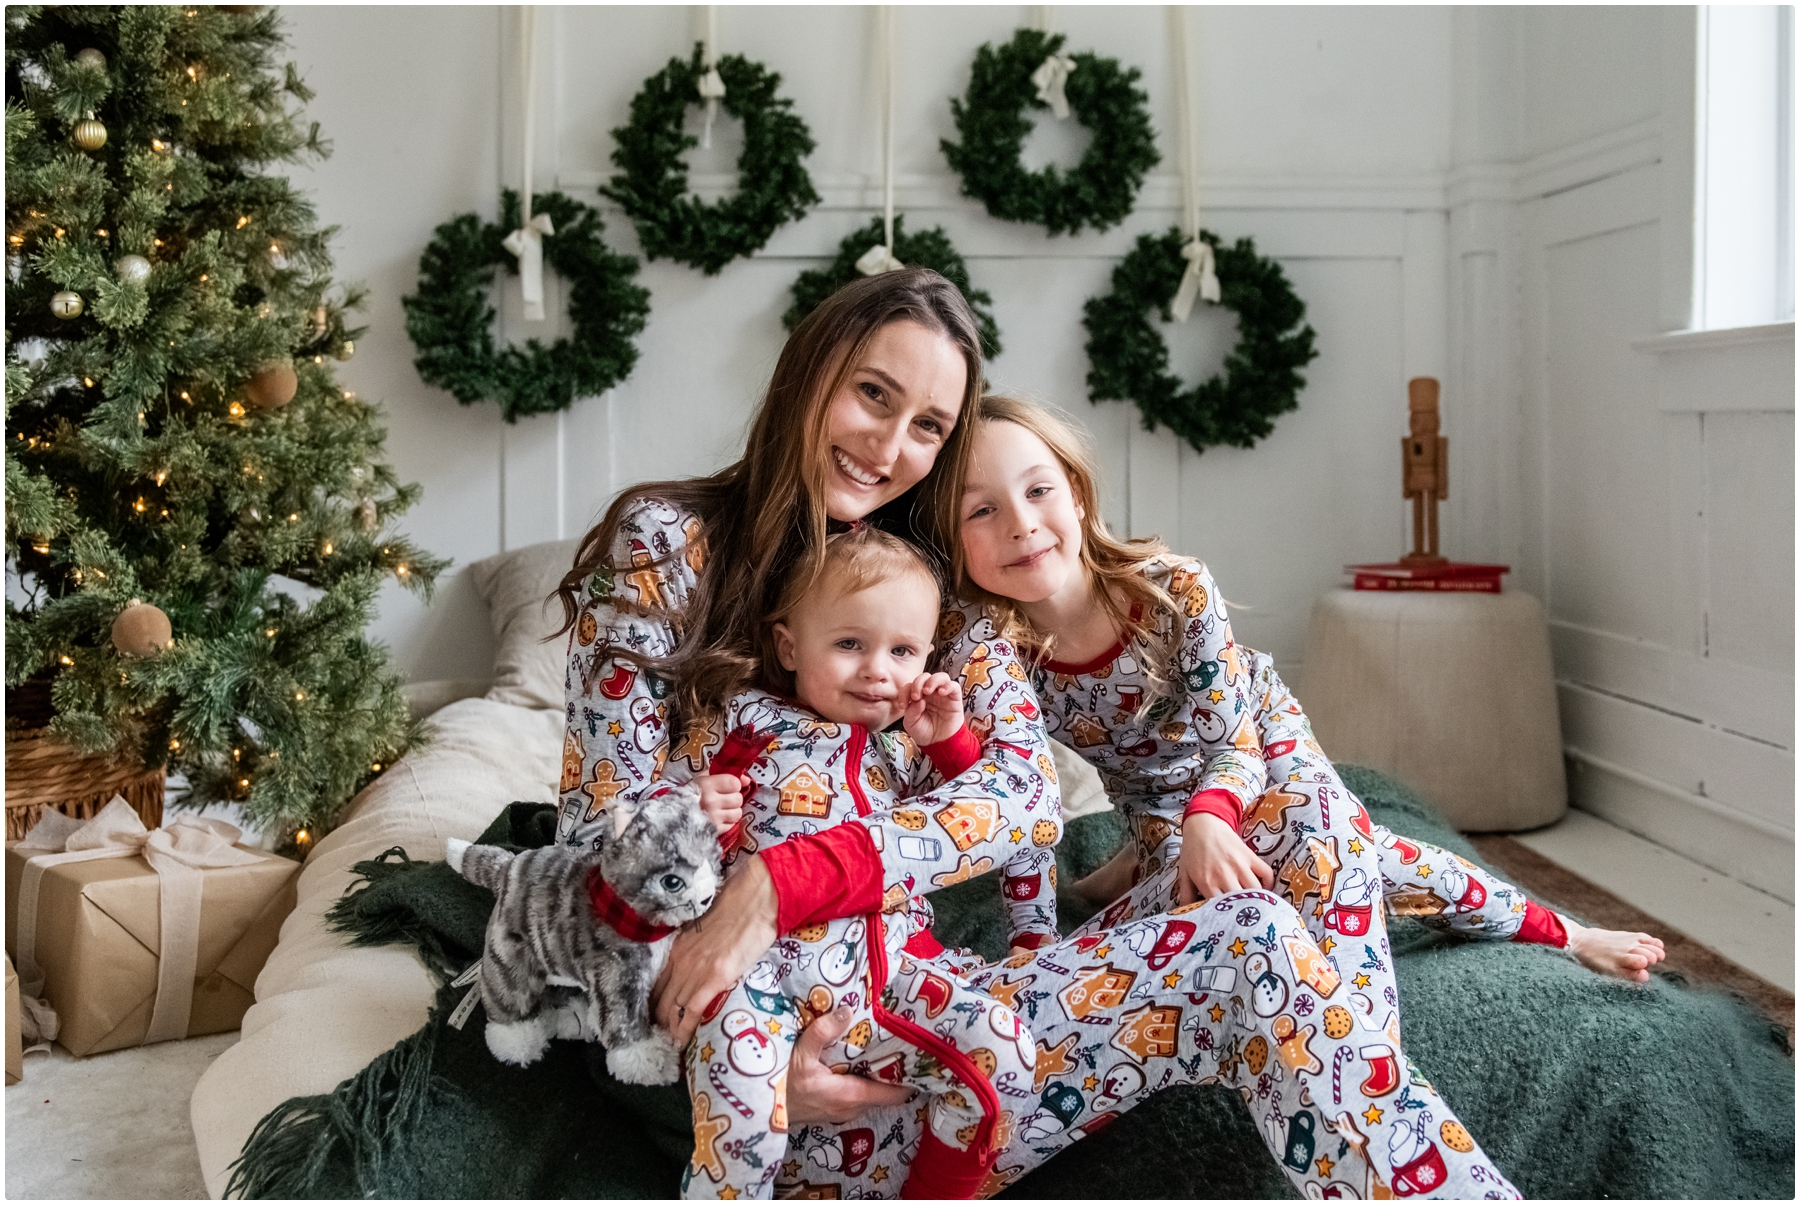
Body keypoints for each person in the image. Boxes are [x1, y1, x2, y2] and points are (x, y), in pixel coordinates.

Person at [552, 270, 1058, 1194]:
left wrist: (781, 883)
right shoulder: (663, 545)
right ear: (809, 370)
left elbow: (1024, 801)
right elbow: (596, 831)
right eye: (874, 393)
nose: (889, 446)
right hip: (723, 990)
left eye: (928, 427)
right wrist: (732, 1062)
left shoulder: (937, 586)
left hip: (894, 967)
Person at [670, 526, 1053, 1198]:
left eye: (902, 650)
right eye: (850, 644)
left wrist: (951, 745)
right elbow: (658, 820)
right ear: (789, 645)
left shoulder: (902, 746)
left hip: (888, 974)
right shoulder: (744, 719)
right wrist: (695, 809)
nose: (879, 669)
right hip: (757, 979)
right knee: (741, 1109)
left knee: (1005, 1050)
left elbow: (971, 830)